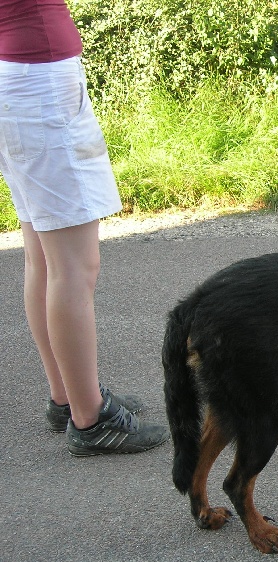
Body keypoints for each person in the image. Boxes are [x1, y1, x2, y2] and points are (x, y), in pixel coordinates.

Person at [0, 0, 169, 455]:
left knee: (44, 256)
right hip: (39, 81)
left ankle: (68, 397)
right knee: (74, 267)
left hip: (18, 76)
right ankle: (90, 420)